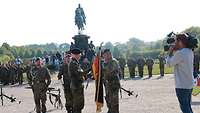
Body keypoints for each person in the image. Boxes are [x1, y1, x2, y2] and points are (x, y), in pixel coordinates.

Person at [166, 34, 194, 113]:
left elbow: (168, 64)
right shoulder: (189, 51)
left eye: (176, 41)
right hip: (189, 84)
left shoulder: (180, 53)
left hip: (182, 85)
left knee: (185, 108)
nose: (174, 43)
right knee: (188, 107)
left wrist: (170, 52)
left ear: (180, 42)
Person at [102, 49, 120, 113]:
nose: (107, 55)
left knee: (114, 103)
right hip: (107, 86)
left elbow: (109, 72)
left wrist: (101, 72)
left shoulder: (113, 62)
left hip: (113, 86)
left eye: (109, 54)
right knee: (109, 101)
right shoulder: (104, 63)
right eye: (105, 55)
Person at [69, 48, 86, 113]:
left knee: (79, 105)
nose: (80, 56)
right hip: (76, 87)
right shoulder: (73, 63)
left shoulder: (76, 63)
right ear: (75, 55)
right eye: (79, 54)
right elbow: (79, 73)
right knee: (77, 106)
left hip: (78, 86)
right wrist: (90, 69)